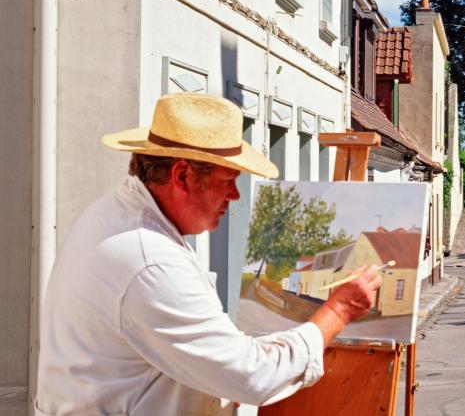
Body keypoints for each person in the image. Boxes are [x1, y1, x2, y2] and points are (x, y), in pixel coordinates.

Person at [36, 93, 383, 415]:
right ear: (183, 175)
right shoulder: (149, 258)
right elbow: (252, 377)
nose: (234, 195)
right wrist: (339, 310)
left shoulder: (116, 215)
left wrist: (228, 362)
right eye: (227, 180)